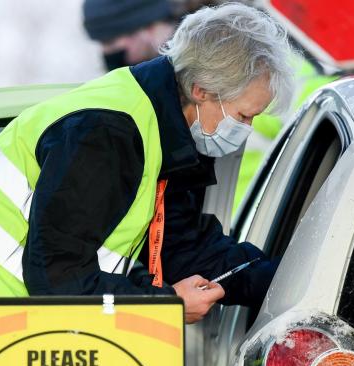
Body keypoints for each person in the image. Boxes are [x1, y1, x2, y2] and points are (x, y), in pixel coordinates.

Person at [0, 3, 292, 324]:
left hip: (3, 318)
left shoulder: (159, 127)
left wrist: (290, 280)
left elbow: (185, 249)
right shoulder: (107, 134)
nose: (245, 128)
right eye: (243, 116)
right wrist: (165, 306)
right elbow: (58, 280)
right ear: (202, 90)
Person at [83, 0, 336, 214]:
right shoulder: (157, 90)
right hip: (215, 238)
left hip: (259, 229)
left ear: (148, 27)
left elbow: (331, 117)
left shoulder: (259, 71)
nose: (109, 53)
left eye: (112, 41)